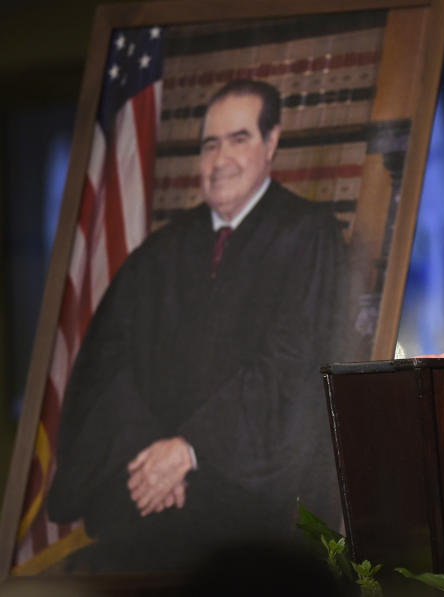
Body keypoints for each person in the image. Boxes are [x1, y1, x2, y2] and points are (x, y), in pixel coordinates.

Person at [47, 79, 351, 571]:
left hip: (252, 512)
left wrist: (190, 451)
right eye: (210, 144)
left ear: (271, 143)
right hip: (151, 497)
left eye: (239, 139)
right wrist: (153, 461)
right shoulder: (162, 251)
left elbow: (291, 368)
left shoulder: (307, 235)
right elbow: (108, 369)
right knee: (73, 576)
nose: (220, 158)